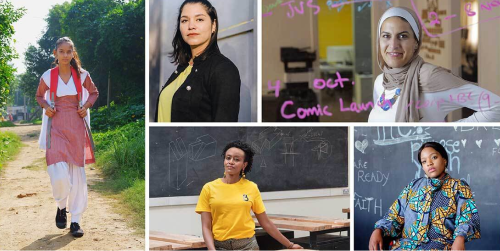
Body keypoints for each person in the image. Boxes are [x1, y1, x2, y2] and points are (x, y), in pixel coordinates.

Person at [368, 6, 500, 122]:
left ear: (416, 42)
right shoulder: (381, 81)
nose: (393, 45)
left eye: (403, 36)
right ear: (378, 41)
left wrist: (449, 132)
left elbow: (496, 107)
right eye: (386, 36)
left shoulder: (428, 77)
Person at [36, 37, 99, 237]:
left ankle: (76, 220)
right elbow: (39, 96)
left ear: (73, 53)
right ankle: (61, 206)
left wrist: (85, 107)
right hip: (55, 127)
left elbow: (93, 93)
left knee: (77, 175)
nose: (65, 55)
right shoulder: (48, 75)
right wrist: (46, 107)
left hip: (76, 127)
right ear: (55, 54)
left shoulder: (82, 75)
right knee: (58, 172)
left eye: (68, 51)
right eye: (61, 51)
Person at [368, 142, 480, 251]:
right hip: (406, 246)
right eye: (424, 161)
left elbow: (467, 219)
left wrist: (460, 238)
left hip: (440, 247)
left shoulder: (459, 187)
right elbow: (394, 216)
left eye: (434, 157)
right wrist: (378, 230)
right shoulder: (413, 186)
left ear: (444, 160)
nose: (429, 163)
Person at [195, 141, 303, 251]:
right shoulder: (208, 188)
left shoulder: (251, 187)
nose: (231, 162)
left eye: (236, 159)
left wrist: (289, 245)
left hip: (247, 246)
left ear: (244, 164)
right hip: (219, 246)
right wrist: (211, 249)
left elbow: (265, 222)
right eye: (228, 158)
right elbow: (206, 226)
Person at [154, 0, 241, 122]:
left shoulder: (223, 69)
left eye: (199, 19)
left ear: (213, 25)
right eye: (184, 20)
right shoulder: (183, 67)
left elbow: (225, 125)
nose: (191, 26)